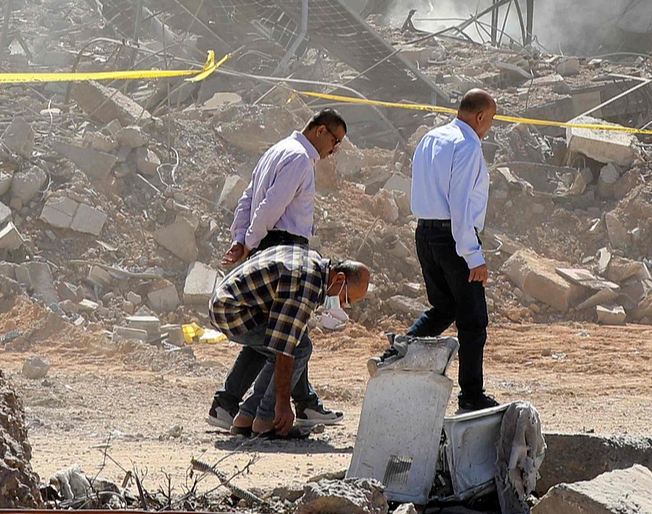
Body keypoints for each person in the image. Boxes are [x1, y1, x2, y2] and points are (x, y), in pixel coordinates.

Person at [206, 109, 348, 434]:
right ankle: (275, 409)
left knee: (273, 336)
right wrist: (251, 242)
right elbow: (270, 204)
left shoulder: (278, 149)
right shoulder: (299, 158)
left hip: (269, 245)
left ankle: (228, 404)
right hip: (283, 246)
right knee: (291, 336)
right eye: (335, 140)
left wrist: (242, 239)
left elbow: (247, 198)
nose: (334, 150)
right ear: (321, 130)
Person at [404, 89, 502, 412]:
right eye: (490, 121)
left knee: (443, 308)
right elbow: (459, 205)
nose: (488, 128)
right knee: (473, 320)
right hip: (453, 239)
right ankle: (471, 395)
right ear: (480, 117)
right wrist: (474, 255)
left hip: (425, 233)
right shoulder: (469, 144)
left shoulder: (431, 138)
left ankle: (396, 356)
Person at [208, 245, 370, 437]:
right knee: (300, 347)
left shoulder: (313, 261)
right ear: (339, 278)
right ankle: (265, 421)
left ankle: (246, 418)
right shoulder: (308, 283)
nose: (342, 305)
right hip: (232, 311)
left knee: (288, 343)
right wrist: (282, 404)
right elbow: (285, 347)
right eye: (346, 299)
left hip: (227, 302)